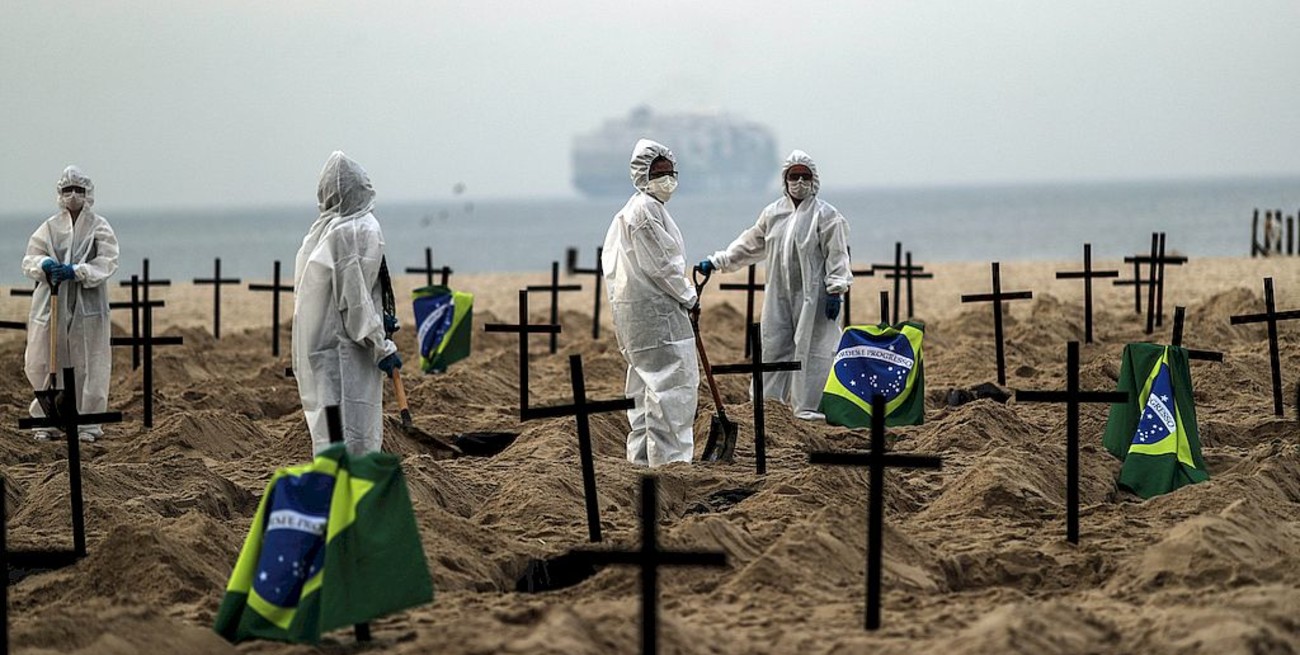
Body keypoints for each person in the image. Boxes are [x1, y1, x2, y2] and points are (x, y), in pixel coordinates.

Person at [697, 150, 851, 421]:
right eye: (794, 176)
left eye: (805, 176)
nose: (799, 182)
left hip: (814, 299)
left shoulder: (827, 216)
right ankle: (768, 408)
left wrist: (836, 289)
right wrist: (717, 260)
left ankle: (807, 409)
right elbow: (749, 244)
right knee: (773, 346)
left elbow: (837, 255)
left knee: (812, 351)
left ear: (814, 180)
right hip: (778, 296)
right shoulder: (773, 214)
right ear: (785, 179)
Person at [292, 151, 401, 456]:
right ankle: (351, 488)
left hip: (319, 349)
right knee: (356, 427)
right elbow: (354, 301)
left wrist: (381, 316)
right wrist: (380, 344)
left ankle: (331, 482)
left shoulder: (320, 234)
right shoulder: (359, 230)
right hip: (347, 349)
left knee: (329, 426)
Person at [602, 139, 699, 467]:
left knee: (646, 390)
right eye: (659, 172)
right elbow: (663, 266)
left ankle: (642, 460)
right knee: (670, 391)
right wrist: (689, 297)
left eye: (670, 172)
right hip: (659, 319)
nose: (667, 178)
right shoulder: (644, 212)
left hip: (640, 318)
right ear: (642, 174)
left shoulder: (637, 209)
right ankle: (670, 463)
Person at [22, 166, 120, 442]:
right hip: (52, 301)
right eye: (67, 190)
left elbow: (108, 261)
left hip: (88, 304)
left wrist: (78, 271)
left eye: (79, 190)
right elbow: (30, 258)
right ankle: (47, 420)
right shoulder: (49, 227)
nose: (73, 195)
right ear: (59, 193)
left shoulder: (99, 227)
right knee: (44, 358)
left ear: (88, 193)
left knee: (89, 359)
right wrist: (46, 264)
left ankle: (88, 423)